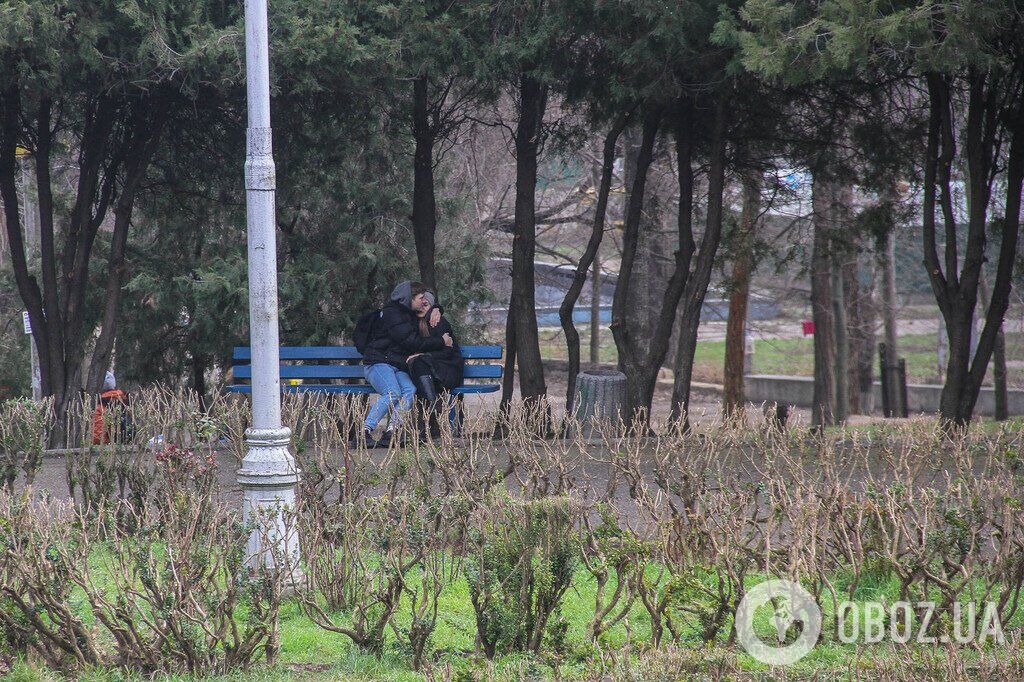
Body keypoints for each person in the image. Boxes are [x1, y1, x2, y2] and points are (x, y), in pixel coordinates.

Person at [357, 281, 453, 447]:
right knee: (392, 392)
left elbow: (428, 307)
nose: (423, 301)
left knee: (409, 389)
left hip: (396, 365)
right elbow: (411, 341)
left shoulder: (408, 314)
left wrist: (436, 308)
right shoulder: (392, 315)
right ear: (409, 298)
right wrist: (441, 341)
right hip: (378, 363)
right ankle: (364, 431)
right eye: (420, 297)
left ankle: (392, 432)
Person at [407, 291, 464, 437]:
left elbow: (448, 352)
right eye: (420, 304)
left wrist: (424, 355)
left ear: (432, 307)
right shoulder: (412, 322)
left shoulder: (438, 322)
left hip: (447, 370)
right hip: (430, 372)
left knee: (419, 363)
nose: (421, 308)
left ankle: (431, 414)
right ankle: (431, 415)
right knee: (418, 367)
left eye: (426, 305)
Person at [92, 371, 129, 445]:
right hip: (128, 442)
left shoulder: (102, 402)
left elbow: (98, 431)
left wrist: (102, 445)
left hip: (109, 445)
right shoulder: (126, 398)